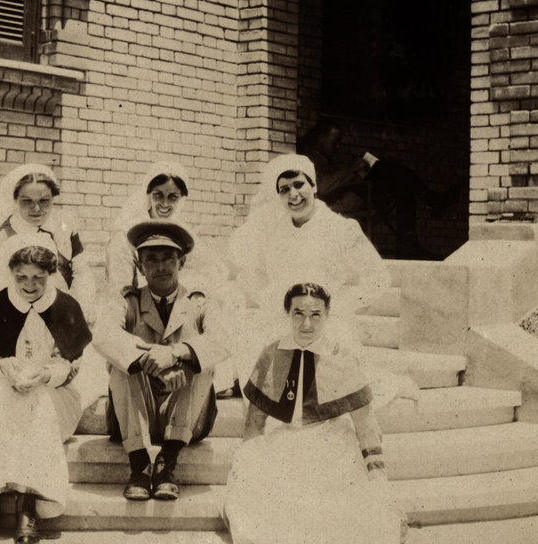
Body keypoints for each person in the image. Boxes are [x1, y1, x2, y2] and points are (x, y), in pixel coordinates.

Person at [223, 282, 407, 544]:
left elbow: (365, 426)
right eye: (299, 313)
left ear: (327, 315)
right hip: (286, 443)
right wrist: (248, 463)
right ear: (288, 314)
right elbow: (255, 422)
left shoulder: (341, 356)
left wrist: (377, 475)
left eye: (315, 315)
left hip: (334, 446)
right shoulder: (272, 354)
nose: (306, 324)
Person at [0, 231, 93, 544]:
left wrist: (46, 375)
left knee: (39, 404)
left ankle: (29, 504)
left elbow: (71, 366)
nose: (29, 285)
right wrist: (2, 367)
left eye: (38, 277)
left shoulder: (66, 307)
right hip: (6, 388)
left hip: (55, 393)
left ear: (51, 275)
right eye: (21, 277)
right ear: (10, 273)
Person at [93, 220, 231, 502]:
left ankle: (167, 463)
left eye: (168, 258)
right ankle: (140, 466)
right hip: (134, 412)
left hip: (187, 415)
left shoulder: (199, 302)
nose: (160, 267)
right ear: (140, 267)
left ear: (181, 262)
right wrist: (146, 358)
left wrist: (176, 354)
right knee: (123, 365)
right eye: (151, 260)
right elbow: (103, 335)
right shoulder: (126, 301)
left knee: (199, 363)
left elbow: (225, 339)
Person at [228, 153, 390, 383]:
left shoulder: (341, 229)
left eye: (298, 185)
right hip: (281, 320)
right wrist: (271, 298)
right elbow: (252, 273)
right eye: (284, 190)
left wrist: (339, 304)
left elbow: (378, 277)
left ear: (313, 186)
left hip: (326, 322)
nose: (293, 195)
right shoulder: (274, 233)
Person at [299, 118, 458, 259]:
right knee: (390, 171)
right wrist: (352, 170)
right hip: (335, 205)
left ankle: (410, 241)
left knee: (398, 183)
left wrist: (358, 174)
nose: (338, 147)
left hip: (351, 196)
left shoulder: (325, 160)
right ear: (321, 139)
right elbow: (323, 187)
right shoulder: (309, 160)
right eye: (335, 142)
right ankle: (424, 213)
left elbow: (339, 181)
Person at [0, 163, 96, 321]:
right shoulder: (4, 238)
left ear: (53, 197)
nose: (37, 209)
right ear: (15, 200)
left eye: (44, 200)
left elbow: (81, 270)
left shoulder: (64, 226)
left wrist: (81, 306)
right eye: (27, 201)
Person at [105, 160, 226, 294]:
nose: (164, 203)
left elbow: (214, 269)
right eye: (158, 195)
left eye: (172, 197)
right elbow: (120, 287)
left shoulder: (181, 231)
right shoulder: (125, 234)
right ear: (148, 195)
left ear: (181, 199)